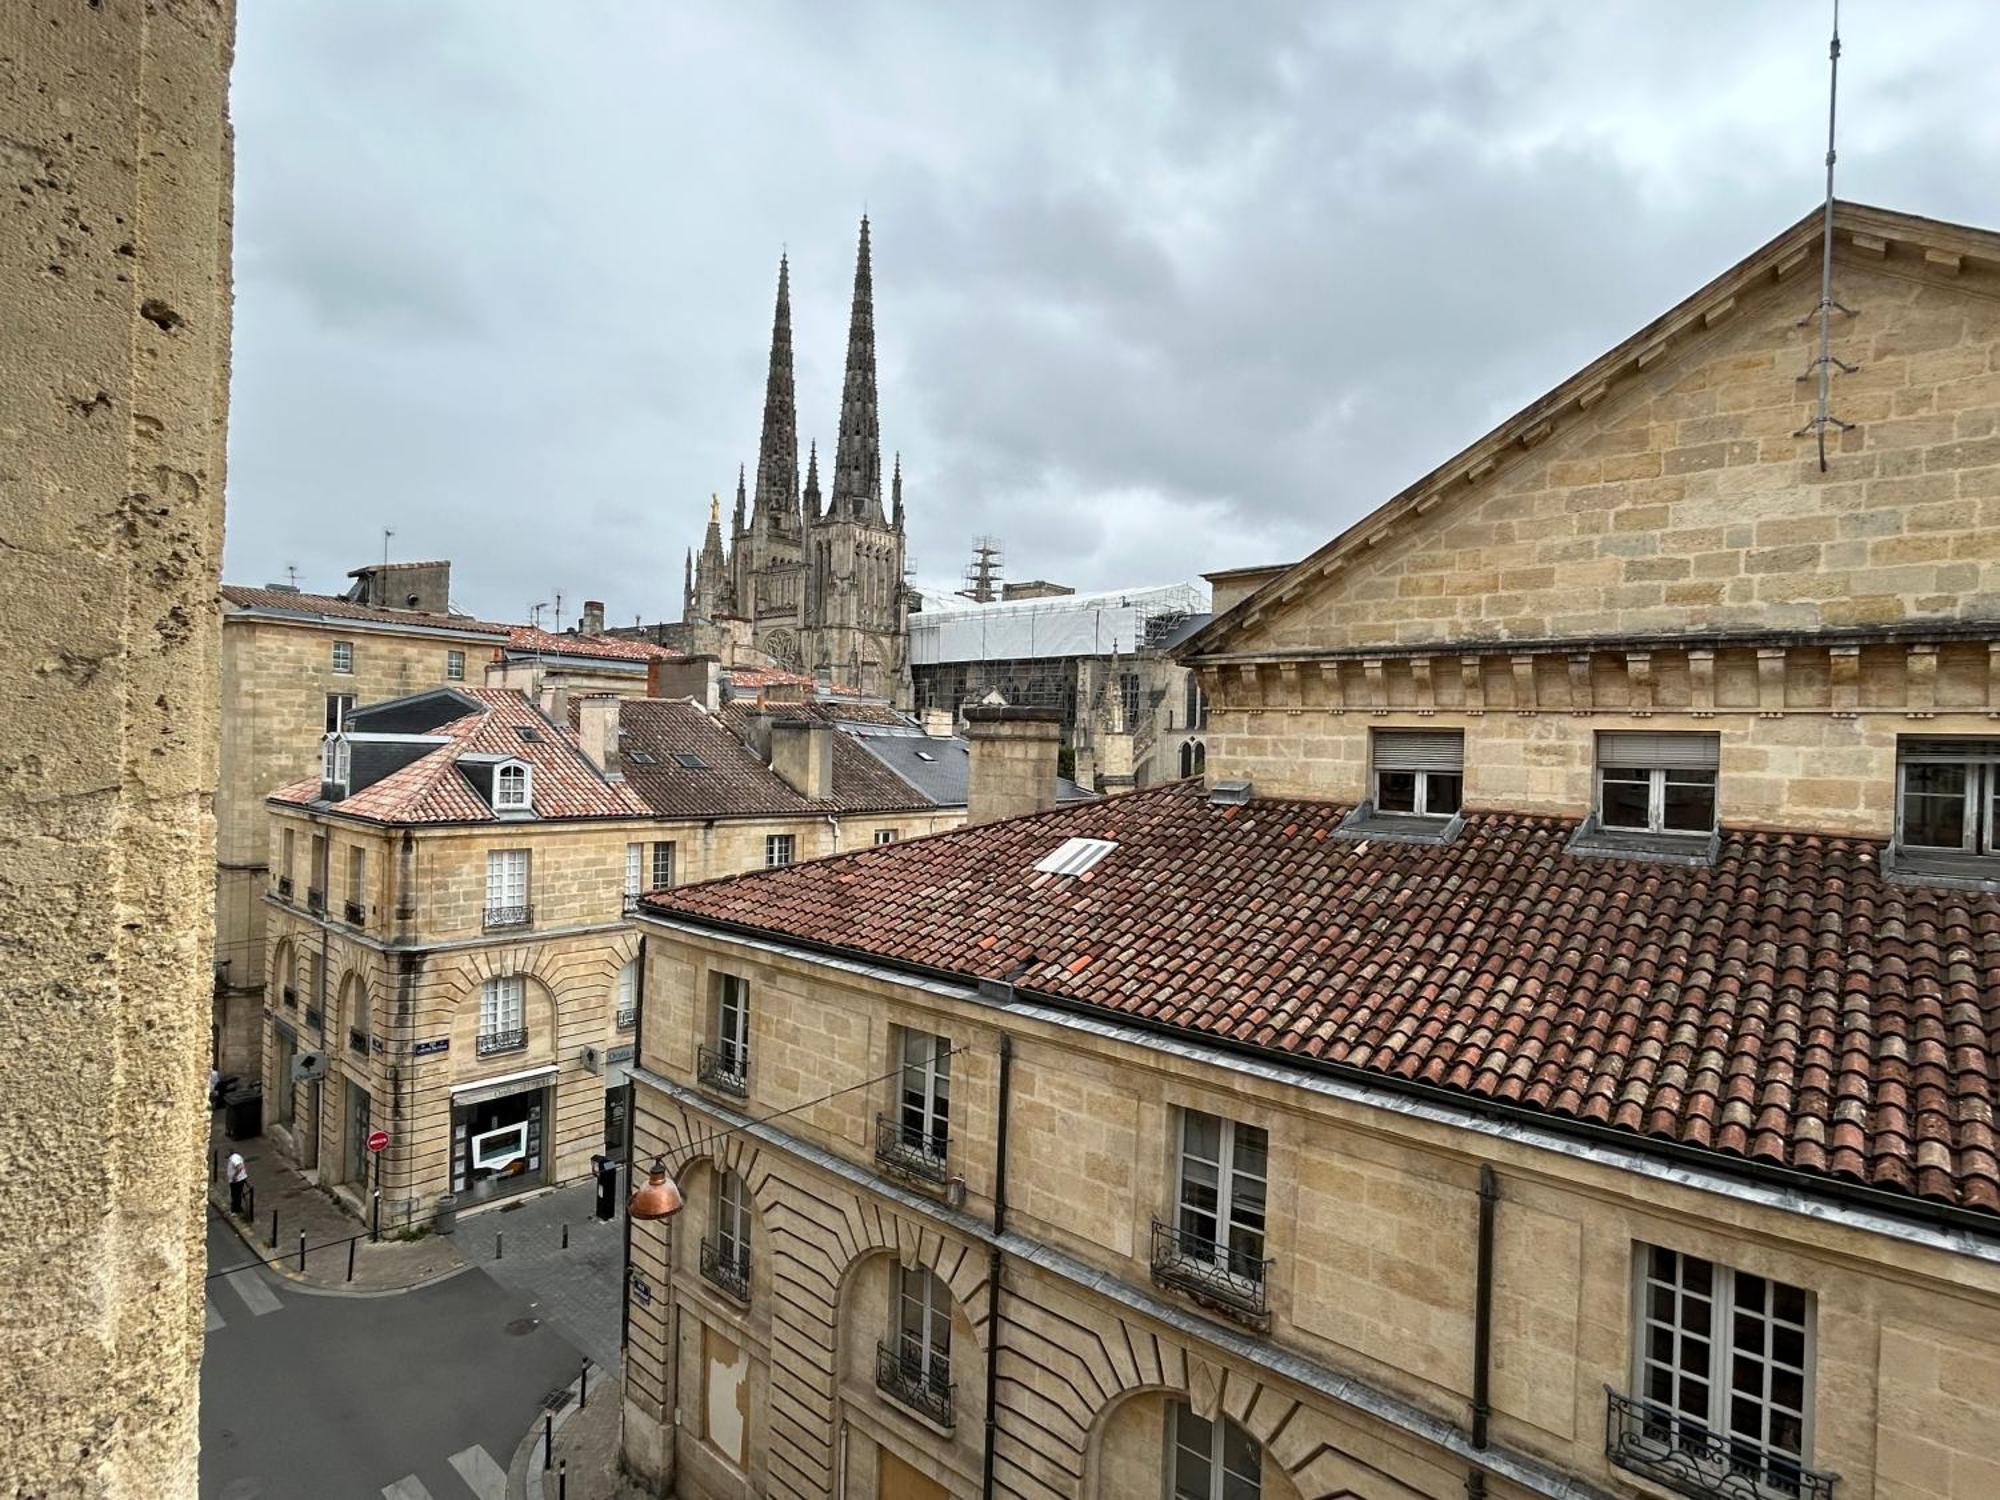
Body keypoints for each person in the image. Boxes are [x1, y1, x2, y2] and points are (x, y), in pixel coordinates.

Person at [227, 1151, 248, 1216]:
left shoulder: (233, 1159)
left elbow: (239, 1167)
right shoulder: (237, 1156)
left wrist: (234, 1176)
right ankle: (238, 1208)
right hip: (240, 1178)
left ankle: (234, 1211)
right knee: (237, 1194)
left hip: (237, 1180)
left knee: (235, 1195)